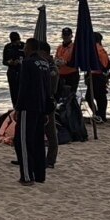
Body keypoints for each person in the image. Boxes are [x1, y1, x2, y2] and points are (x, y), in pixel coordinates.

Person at [13, 39, 50, 185]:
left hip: (28, 107)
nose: (24, 50)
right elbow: (48, 89)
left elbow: (23, 87)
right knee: (38, 141)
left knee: (22, 141)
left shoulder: (27, 64)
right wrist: (47, 109)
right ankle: (40, 174)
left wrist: (18, 107)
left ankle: (27, 176)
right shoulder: (45, 64)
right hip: (41, 107)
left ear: (30, 48)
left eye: (26, 48)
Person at [37, 40, 60, 168]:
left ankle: (51, 160)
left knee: (50, 132)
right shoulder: (44, 66)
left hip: (48, 102)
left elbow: (51, 88)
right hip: (40, 101)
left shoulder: (52, 68)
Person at [89, 32, 110, 122]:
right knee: (101, 96)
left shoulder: (94, 49)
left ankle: (98, 114)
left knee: (90, 96)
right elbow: (108, 64)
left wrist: (103, 70)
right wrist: (106, 71)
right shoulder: (102, 49)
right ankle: (101, 115)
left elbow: (97, 63)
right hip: (101, 75)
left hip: (96, 75)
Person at [55, 27, 77, 98]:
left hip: (71, 75)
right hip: (60, 75)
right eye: (64, 35)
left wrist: (66, 63)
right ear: (62, 36)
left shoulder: (75, 48)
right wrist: (56, 62)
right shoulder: (59, 47)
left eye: (67, 35)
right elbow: (56, 58)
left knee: (70, 96)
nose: (66, 37)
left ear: (71, 36)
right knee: (58, 94)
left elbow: (76, 62)